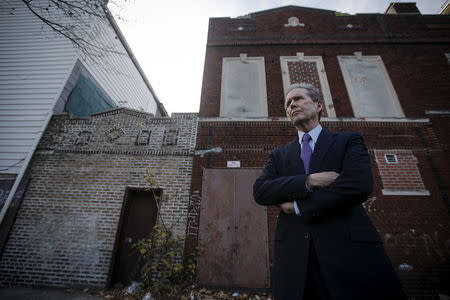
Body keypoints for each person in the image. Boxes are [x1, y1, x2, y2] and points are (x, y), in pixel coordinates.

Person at [253, 83, 406, 300]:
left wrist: (297, 206)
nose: (292, 105)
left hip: (349, 254)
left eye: (298, 99)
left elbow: (357, 185)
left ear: (318, 105)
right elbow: (261, 191)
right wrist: (309, 180)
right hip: (296, 259)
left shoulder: (348, 141)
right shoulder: (279, 155)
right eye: (288, 103)